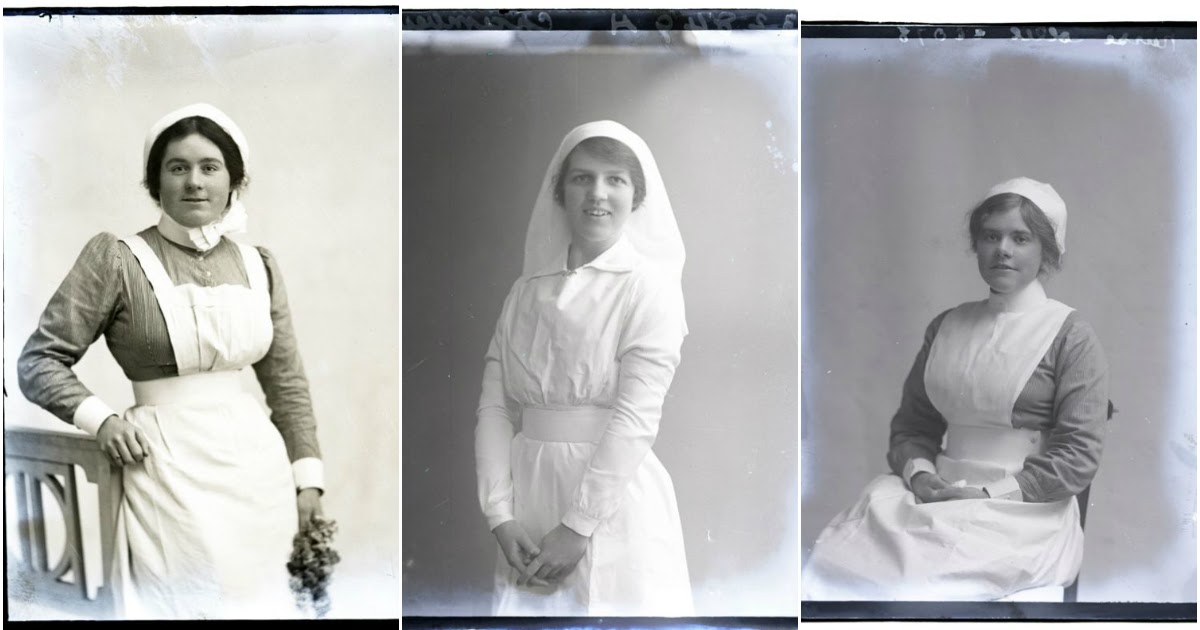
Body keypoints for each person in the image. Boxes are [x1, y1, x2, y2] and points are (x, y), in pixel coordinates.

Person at [17, 103, 326, 619]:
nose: (194, 182)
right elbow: (38, 361)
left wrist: (307, 480)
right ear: (155, 182)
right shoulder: (117, 259)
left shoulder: (259, 264)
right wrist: (102, 420)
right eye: (177, 167)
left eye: (210, 167)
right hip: (164, 469)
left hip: (259, 476)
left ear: (234, 181)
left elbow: (287, 383)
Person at [802, 177, 1110, 601]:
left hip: (1021, 511)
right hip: (936, 495)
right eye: (990, 236)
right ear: (977, 245)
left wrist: (986, 493)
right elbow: (912, 427)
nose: (1002, 249)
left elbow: (1077, 456)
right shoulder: (947, 325)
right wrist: (922, 475)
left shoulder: (1071, 335)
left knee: (920, 591)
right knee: (835, 564)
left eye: (1020, 238)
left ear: (1047, 251)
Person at [474, 120, 694, 616]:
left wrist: (578, 526)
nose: (598, 193)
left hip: (610, 498)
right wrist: (500, 515)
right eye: (582, 178)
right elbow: (493, 406)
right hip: (527, 496)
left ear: (636, 195)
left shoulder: (647, 288)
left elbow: (636, 417)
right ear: (560, 191)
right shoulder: (525, 292)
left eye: (615, 179)